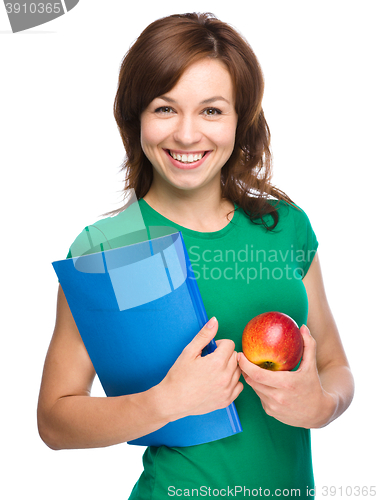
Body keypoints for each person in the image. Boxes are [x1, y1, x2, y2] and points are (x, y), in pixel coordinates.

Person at [37, 12, 354, 498]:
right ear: (135, 116)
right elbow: (56, 419)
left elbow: (334, 362)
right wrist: (165, 403)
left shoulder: (284, 227)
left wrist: (322, 406)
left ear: (240, 119)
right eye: (165, 108)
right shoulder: (110, 247)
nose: (187, 135)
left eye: (211, 111)